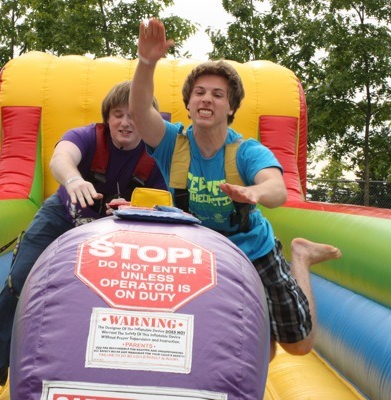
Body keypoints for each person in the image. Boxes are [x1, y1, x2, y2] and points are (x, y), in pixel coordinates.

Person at [129, 18, 342, 362]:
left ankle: (300, 257)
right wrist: (147, 61)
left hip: (251, 249)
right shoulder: (173, 143)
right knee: (258, 351)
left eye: (217, 95)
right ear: (188, 103)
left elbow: (277, 189)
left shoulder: (245, 151)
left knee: (299, 346)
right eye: (199, 93)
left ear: (230, 107)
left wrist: (255, 194)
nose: (207, 100)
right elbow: (140, 112)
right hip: (201, 255)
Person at [0, 80, 167, 397]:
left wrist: (137, 207)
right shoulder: (88, 136)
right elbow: (60, 158)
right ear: (107, 118)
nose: (125, 122)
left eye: (133, 115)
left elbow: (164, 201)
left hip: (119, 228)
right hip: (63, 214)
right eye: (117, 114)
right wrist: (74, 180)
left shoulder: (159, 153)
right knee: (19, 280)